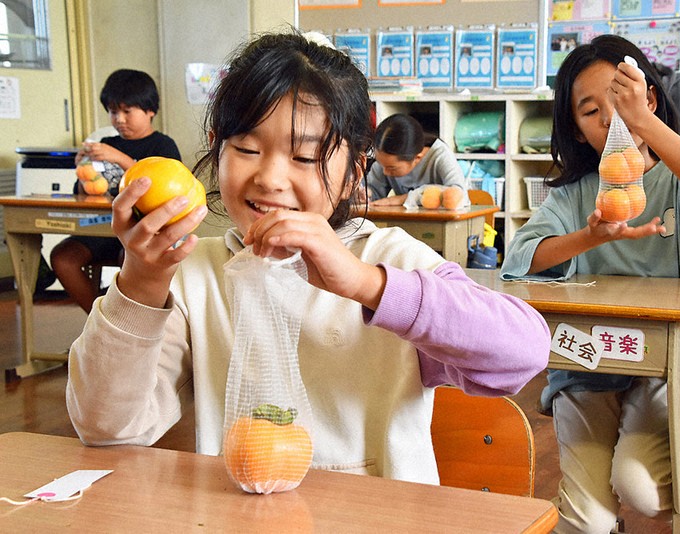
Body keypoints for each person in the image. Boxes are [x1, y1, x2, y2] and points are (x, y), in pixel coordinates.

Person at [65, 30, 550, 485]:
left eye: (303, 158)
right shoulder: (195, 276)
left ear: (354, 172)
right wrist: (142, 282)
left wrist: (368, 284)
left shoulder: (390, 259)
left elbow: (523, 353)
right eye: (247, 148)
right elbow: (107, 427)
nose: (270, 179)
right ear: (218, 149)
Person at [500, 35, 680, 534]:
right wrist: (589, 236)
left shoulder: (676, 179)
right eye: (591, 111)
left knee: (641, 487)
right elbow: (519, 260)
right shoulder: (574, 195)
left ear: (648, 98)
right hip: (588, 362)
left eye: (621, 100)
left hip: (666, 367)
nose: (610, 118)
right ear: (576, 128)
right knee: (585, 521)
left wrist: (644, 123)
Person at [50, 69, 181, 313]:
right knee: (63, 258)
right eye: (113, 112)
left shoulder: (163, 146)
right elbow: (85, 194)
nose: (119, 119)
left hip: (142, 232)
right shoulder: (107, 144)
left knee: (131, 260)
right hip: (102, 229)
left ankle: (129, 321)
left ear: (150, 110)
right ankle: (101, 320)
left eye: (127, 111)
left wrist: (120, 158)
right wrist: (83, 170)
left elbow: (165, 190)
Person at [365, 113, 468, 206]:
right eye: (381, 164)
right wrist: (365, 195)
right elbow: (373, 195)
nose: (385, 172)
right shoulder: (385, 160)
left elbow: (460, 195)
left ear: (417, 158)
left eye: (391, 168)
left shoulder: (440, 156)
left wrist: (404, 199)